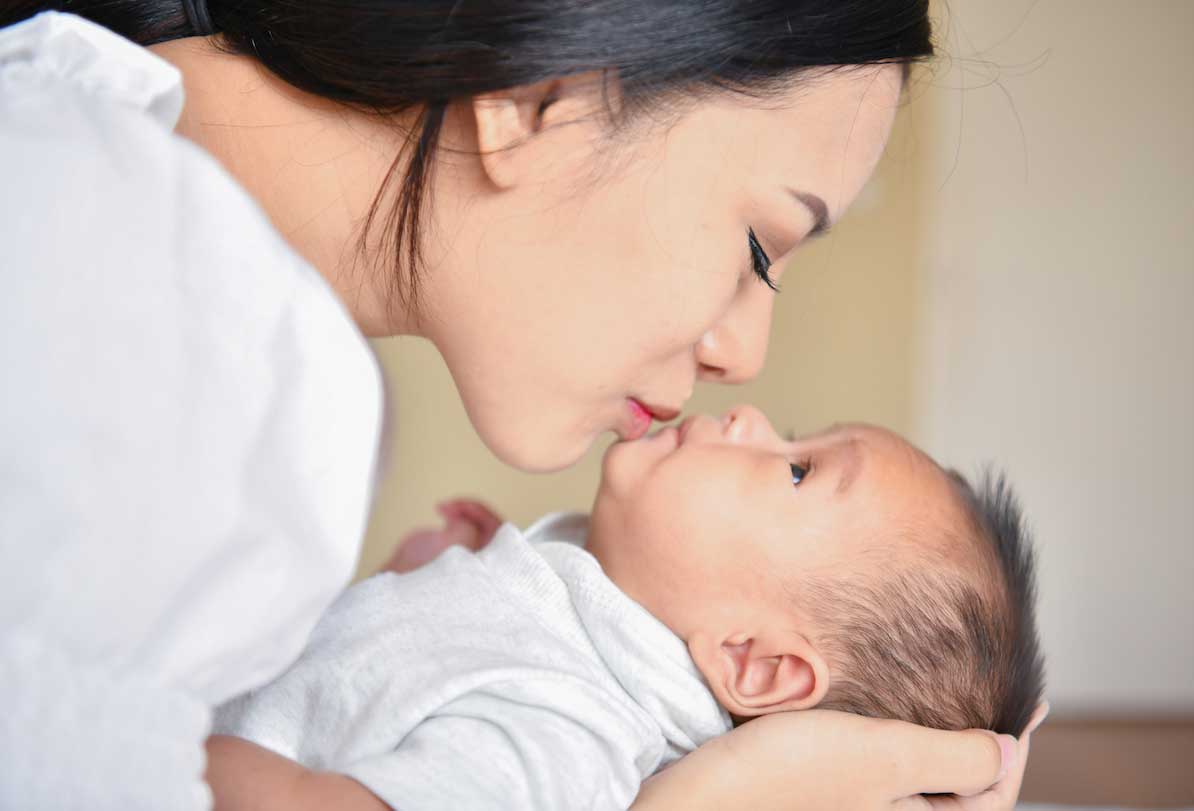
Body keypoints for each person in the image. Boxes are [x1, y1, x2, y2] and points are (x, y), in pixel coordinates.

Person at [0, 1, 1044, 808]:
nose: (744, 358)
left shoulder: (154, 267)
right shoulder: (147, 313)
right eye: (760, 246)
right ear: (545, 96)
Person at [205, 407, 1045, 811]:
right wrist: (425, 600)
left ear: (752, 662)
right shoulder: (566, 613)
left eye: (795, 468)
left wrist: (181, 750)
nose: (750, 416)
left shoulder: (567, 727)